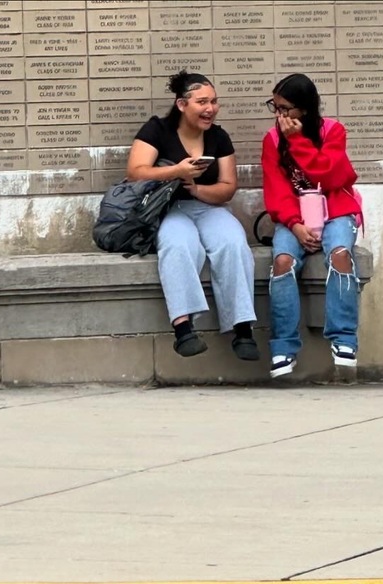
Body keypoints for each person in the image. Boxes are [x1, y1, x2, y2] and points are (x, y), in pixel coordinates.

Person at [126, 70, 259, 361]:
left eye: (213, 101)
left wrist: (196, 187)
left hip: (208, 206)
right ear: (182, 104)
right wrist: (178, 171)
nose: (210, 108)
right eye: (202, 102)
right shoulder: (156, 130)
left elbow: (227, 187)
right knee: (177, 244)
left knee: (234, 242)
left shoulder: (219, 136)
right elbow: (135, 173)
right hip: (169, 209)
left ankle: (242, 328)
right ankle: (184, 328)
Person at [261, 73, 363, 378]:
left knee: (341, 255)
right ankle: (283, 347)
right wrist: (294, 225)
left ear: (304, 109)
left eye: (285, 108)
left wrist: (297, 141)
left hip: (335, 210)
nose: (279, 115)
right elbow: (276, 190)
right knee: (282, 262)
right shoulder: (272, 139)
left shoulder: (333, 131)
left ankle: (344, 340)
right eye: (275, 107)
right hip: (294, 217)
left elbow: (329, 177)